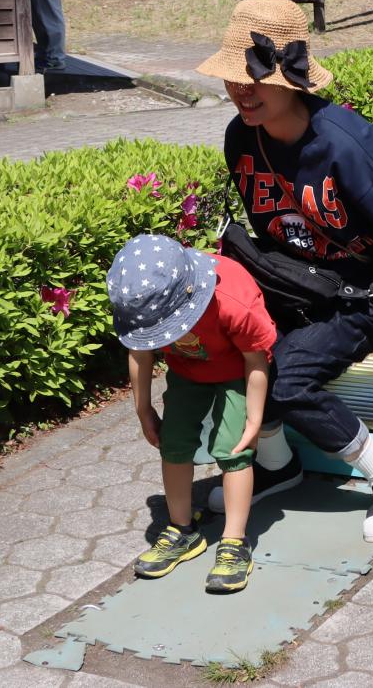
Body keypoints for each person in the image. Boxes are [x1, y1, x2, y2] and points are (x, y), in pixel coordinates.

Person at [196, 0, 373, 543]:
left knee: (286, 378)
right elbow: (269, 229)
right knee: (232, 345)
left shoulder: (349, 145)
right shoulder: (241, 137)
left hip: (370, 293)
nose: (242, 90)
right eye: (233, 79)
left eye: (254, 80)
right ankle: (278, 464)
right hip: (298, 281)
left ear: (291, 80)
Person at [109, 233, 275, 594]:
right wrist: (142, 408)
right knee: (173, 444)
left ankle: (234, 541)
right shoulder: (147, 304)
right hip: (187, 372)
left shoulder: (233, 301)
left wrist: (254, 417)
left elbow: (256, 359)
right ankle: (183, 530)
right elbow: (139, 353)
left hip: (236, 373)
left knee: (233, 450)